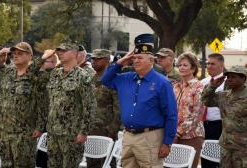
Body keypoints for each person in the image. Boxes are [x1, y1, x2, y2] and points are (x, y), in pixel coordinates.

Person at [101, 36, 177, 168]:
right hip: (128, 136)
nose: (136, 61)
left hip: (150, 137)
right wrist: (121, 62)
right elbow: (105, 79)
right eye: (134, 58)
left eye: (140, 58)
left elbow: (171, 114)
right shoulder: (126, 79)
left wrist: (167, 142)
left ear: (151, 60)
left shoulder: (162, 83)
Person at [0, 42, 47, 167]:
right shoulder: (6, 73)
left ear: (30, 56)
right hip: (5, 132)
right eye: (14, 54)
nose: (15, 56)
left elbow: (43, 103)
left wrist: (40, 127)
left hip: (24, 133)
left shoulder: (37, 76)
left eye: (20, 53)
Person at [45, 41, 96, 168]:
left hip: (71, 134)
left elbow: (89, 106)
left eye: (64, 51)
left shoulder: (83, 76)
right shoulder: (54, 74)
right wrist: (44, 58)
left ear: (74, 53)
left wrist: (83, 132)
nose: (60, 53)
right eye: (59, 51)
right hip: (53, 132)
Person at [201, 65, 247, 168]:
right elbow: (205, 100)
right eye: (228, 77)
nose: (229, 79)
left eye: (233, 77)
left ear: (243, 78)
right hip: (226, 146)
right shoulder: (224, 96)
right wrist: (213, 86)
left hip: (243, 148)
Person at [87, 49, 121, 168]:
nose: (94, 62)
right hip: (90, 128)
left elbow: (118, 108)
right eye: (93, 59)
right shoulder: (91, 79)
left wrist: (112, 130)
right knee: (91, 162)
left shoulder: (113, 79)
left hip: (106, 130)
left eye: (98, 59)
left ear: (107, 60)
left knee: (107, 163)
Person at [173, 52, 205, 168]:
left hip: (192, 136)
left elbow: (197, 114)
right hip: (173, 134)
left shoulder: (199, 87)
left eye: (185, 65)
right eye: (179, 65)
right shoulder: (176, 87)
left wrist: (178, 132)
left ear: (193, 68)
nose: (181, 67)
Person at [35, 50, 60, 168]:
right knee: (40, 157)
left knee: (50, 156)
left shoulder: (55, 75)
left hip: (51, 121)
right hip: (40, 120)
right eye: (43, 61)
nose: (43, 63)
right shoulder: (40, 75)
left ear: (54, 63)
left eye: (46, 61)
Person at [200, 53, 225, 168]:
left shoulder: (227, 83)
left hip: (218, 125)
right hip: (203, 125)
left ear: (221, 65)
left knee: (216, 159)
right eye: (208, 63)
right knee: (204, 158)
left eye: (212, 63)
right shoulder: (203, 82)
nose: (209, 66)